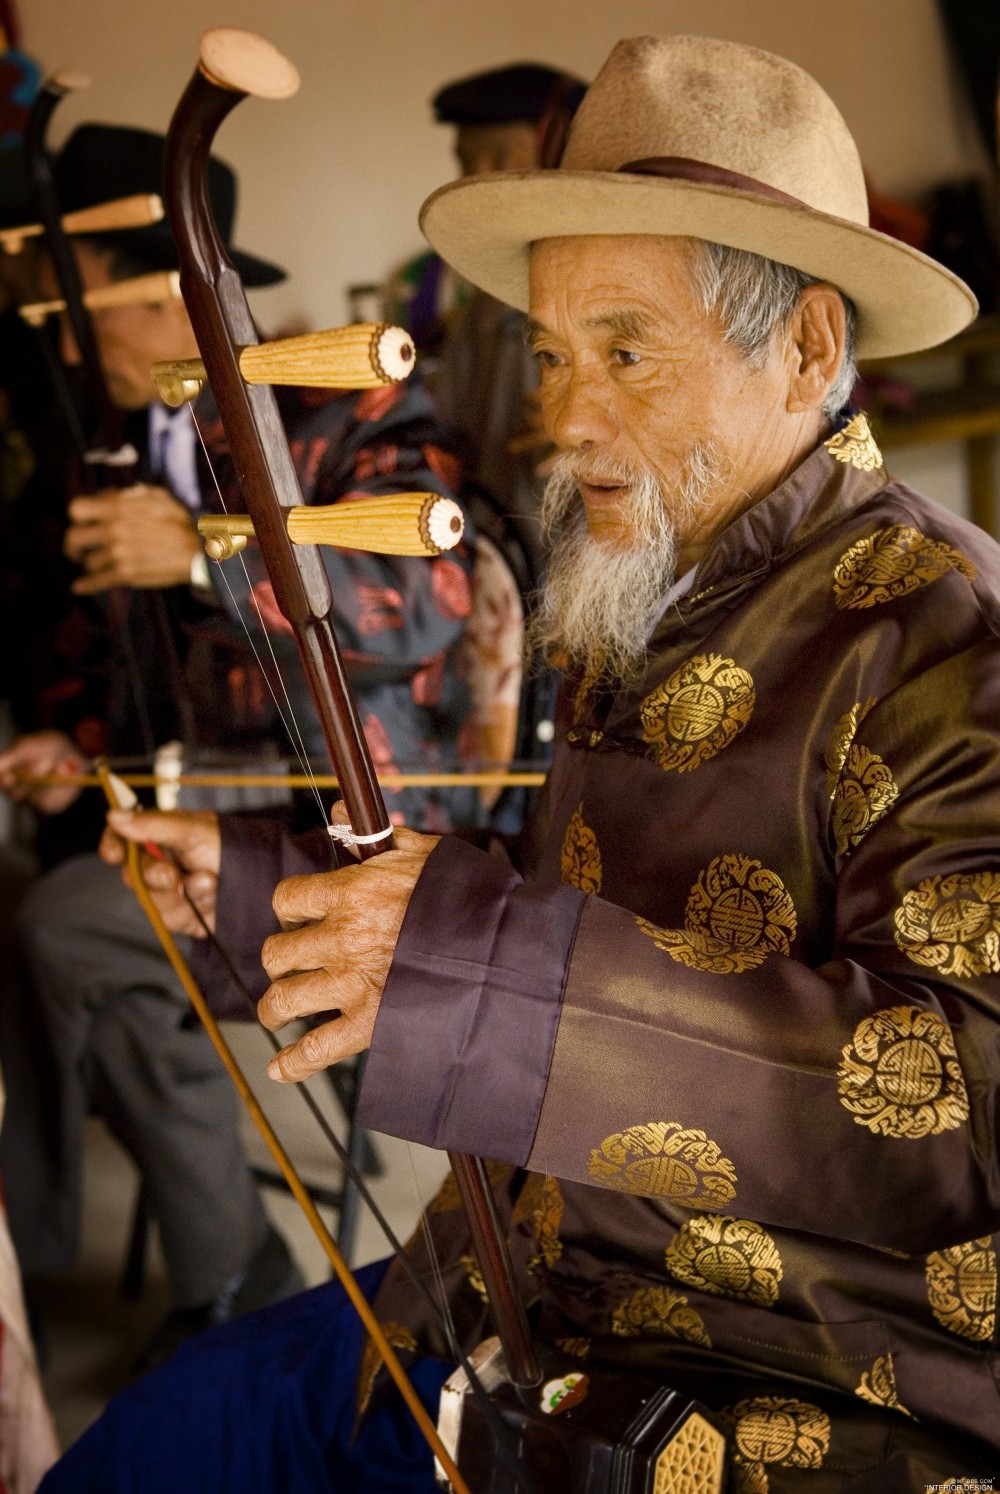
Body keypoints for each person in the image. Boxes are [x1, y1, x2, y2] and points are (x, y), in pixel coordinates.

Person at [43, 34, 1000, 1492]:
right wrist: (261, 896)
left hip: (790, 1389)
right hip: (510, 1297)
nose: (563, 419)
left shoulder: (948, 639)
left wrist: (464, 962)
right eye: (553, 356)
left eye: (627, 350)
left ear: (808, 346)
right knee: (158, 1443)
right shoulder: (637, 587)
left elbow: (950, 1098)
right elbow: (571, 909)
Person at [0, 124, 476, 1366]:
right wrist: (78, 740)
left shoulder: (339, 400)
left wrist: (210, 552)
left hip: (361, 806)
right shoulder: (122, 442)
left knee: (66, 932)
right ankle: (202, 1269)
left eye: (73, 314)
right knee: (79, 939)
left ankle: (100, 1262)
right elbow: (147, 674)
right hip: (214, 800)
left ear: (169, 299)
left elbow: (427, 600)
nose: (57, 345)